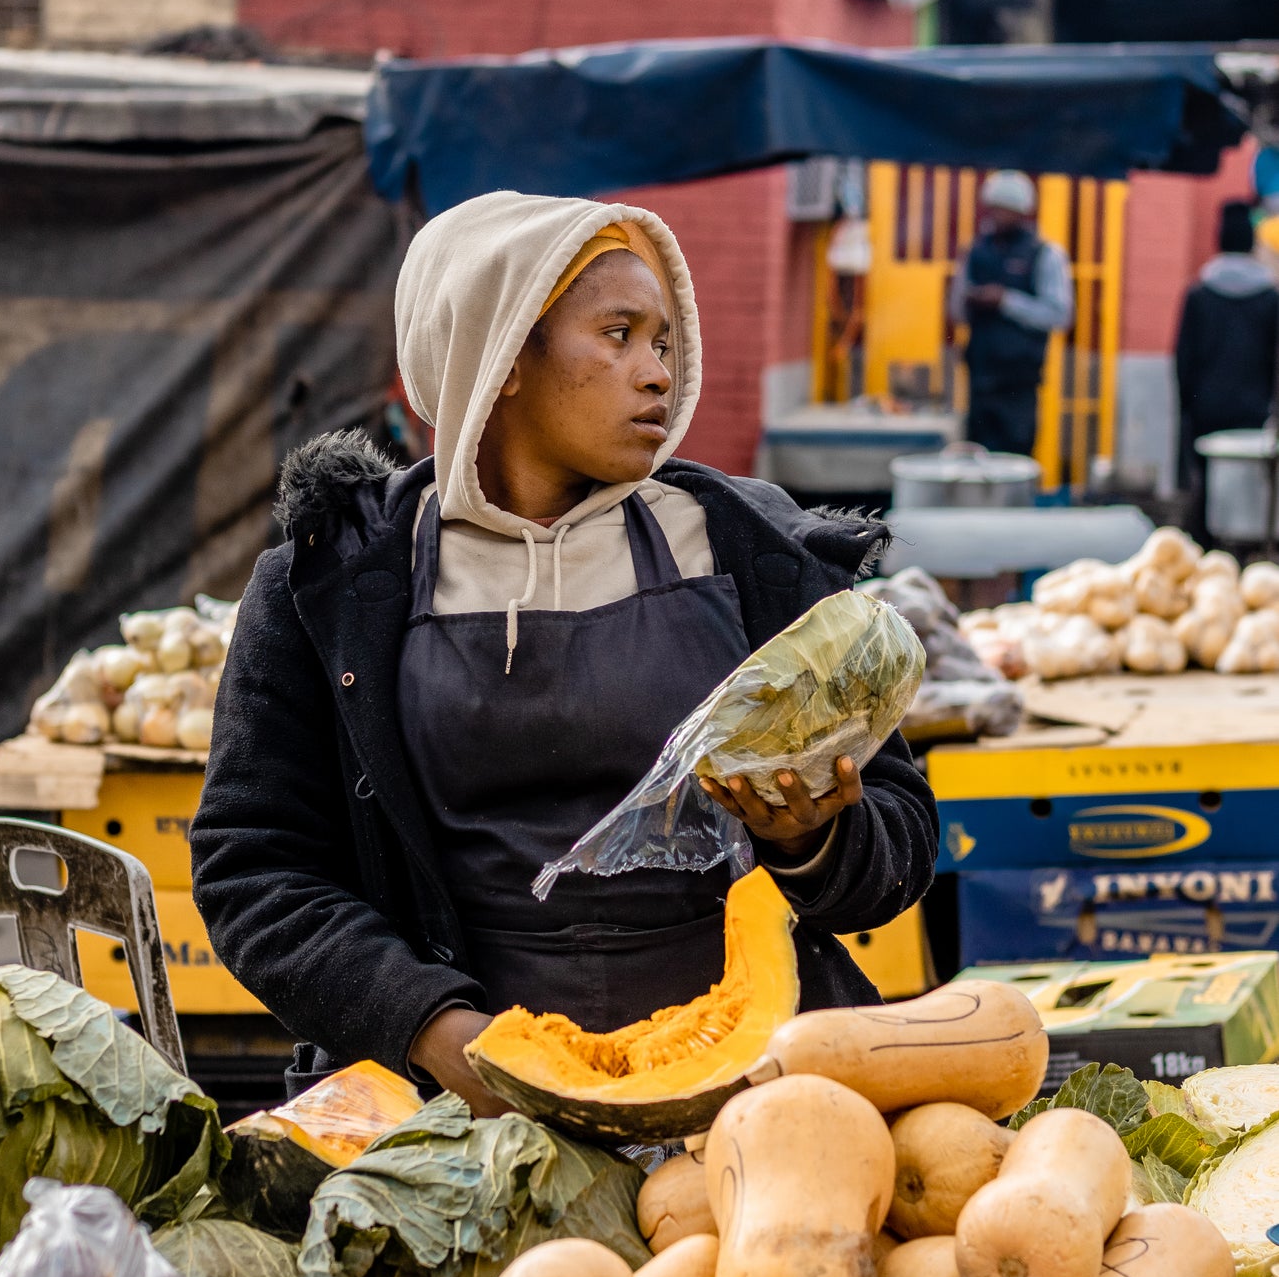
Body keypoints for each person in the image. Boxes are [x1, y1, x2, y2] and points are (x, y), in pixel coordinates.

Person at [190, 191, 938, 1113]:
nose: (656, 373)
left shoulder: (751, 550)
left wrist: (812, 839)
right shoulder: (332, 580)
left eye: (662, 342)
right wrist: (429, 1028)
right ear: (499, 355)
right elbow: (253, 867)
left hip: (749, 1091)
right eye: (617, 334)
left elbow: (900, 842)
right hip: (446, 1111)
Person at [948, 171, 1074, 457]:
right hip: (981, 381)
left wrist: (1006, 301)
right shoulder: (977, 251)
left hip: (1019, 384)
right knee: (977, 460)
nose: (999, 215)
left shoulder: (1045, 255)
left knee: (1015, 458)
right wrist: (971, 299)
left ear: (1022, 211)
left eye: (1006, 208)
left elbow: (1059, 315)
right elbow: (956, 311)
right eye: (995, 207)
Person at [1175, 199, 1278, 541]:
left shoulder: (1200, 294)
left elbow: (1183, 360)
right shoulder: (1269, 298)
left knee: (1206, 492)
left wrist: (1187, 407)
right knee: (1251, 494)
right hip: (1252, 412)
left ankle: (1206, 553)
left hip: (1206, 410)